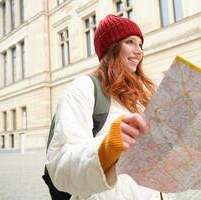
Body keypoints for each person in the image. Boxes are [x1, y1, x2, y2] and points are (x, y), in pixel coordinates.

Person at [45, 14, 169, 199]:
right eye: (130, 42)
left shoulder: (140, 97)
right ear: (111, 48)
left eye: (140, 45)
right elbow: (61, 165)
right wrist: (107, 148)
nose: (139, 51)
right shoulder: (84, 87)